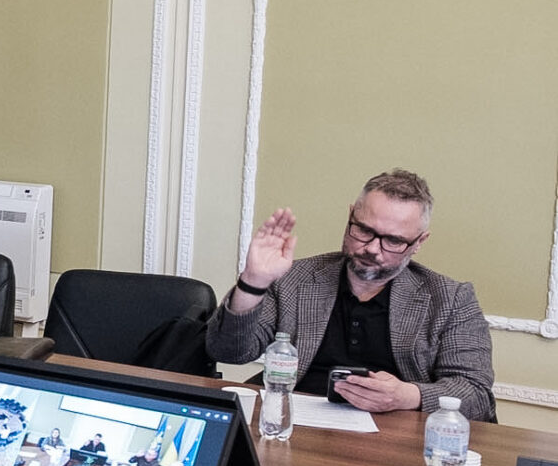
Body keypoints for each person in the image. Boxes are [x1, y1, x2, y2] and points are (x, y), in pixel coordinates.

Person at [205, 169, 494, 420]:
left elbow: (476, 393)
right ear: (350, 217)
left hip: (397, 437)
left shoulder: (451, 299)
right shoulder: (294, 278)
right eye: (364, 231)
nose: (372, 249)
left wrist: (408, 395)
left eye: (393, 241)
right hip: (294, 424)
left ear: (419, 242)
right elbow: (228, 351)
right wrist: (253, 282)